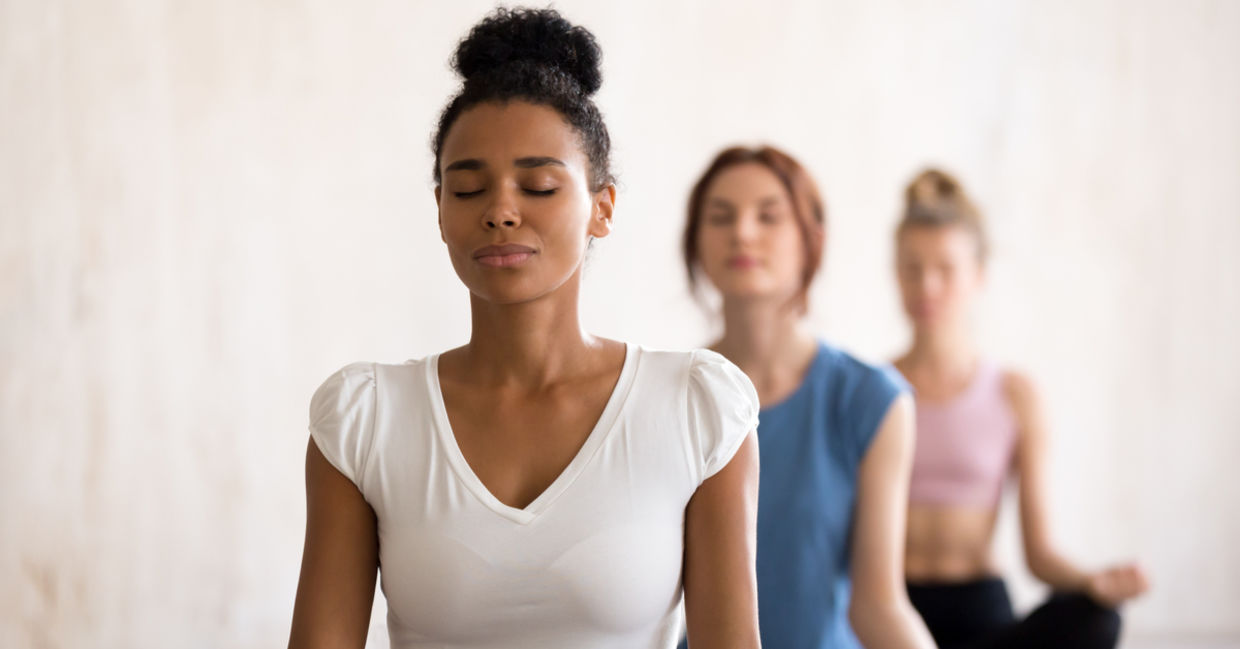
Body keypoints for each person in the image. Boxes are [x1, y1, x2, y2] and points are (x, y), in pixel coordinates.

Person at [288, 9, 761, 648]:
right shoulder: (366, 420)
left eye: (538, 186)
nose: (500, 212)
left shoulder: (695, 409)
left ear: (602, 207)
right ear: (440, 211)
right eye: (467, 190)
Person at [680, 146, 936, 649]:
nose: (743, 233)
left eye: (768, 216)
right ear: (696, 243)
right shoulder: (666, 395)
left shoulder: (871, 400)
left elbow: (879, 605)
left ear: (811, 239)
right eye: (721, 216)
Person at [893, 168, 1150, 649]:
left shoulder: (1014, 394)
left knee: (1097, 618)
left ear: (978, 275)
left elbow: (1039, 552)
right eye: (911, 267)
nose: (927, 285)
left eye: (945, 269)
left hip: (981, 611)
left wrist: (1094, 582)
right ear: (895, 272)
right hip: (892, 607)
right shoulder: (872, 388)